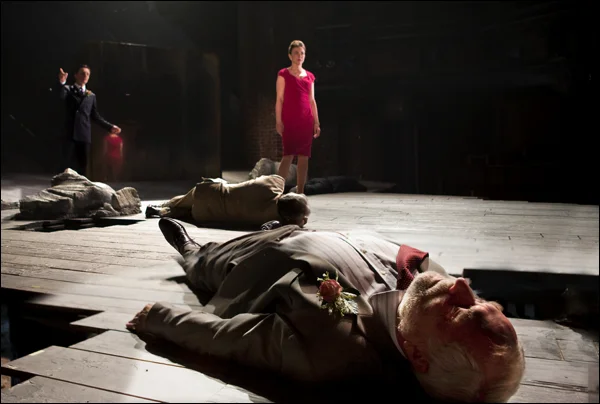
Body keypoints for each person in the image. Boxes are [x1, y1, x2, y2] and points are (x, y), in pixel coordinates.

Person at [127, 219, 526, 402]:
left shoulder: (338, 349)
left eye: (463, 311)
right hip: (312, 232)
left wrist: (161, 319)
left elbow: (235, 340)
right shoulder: (432, 286)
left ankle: (192, 249)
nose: (463, 286)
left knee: (205, 264)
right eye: (482, 301)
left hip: (259, 260)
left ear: (420, 357)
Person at [145, 174, 311, 229]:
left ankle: (165, 206)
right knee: (188, 212)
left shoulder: (272, 186)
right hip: (205, 215)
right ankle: (167, 211)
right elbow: (294, 223)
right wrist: (300, 220)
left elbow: (277, 177)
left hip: (209, 191)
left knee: (182, 200)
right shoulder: (273, 220)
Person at [56, 65, 121, 176]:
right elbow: (60, 98)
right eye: (82, 73)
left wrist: (110, 127)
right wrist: (62, 83)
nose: (85, 76)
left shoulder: (91, 95)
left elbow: (95, 116)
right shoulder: (68, 89)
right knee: (65, 166)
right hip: (69, 133)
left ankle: (81, 186)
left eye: (87, 74)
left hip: (83, 134)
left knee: (82, 167)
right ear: (76, 75)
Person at [275, 40, 321, 195]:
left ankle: (300, 192)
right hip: (289, 120)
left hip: (306, 120)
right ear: (290, 55)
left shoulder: (310, 77)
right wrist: (278, 121)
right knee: (288, 155)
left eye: (302, 53)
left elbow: (312, 100)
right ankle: (277, 192)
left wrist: (316, 122)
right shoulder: (283, 74)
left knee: (304, 157)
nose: (299, 56)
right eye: (296, 53)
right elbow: (279, 99)